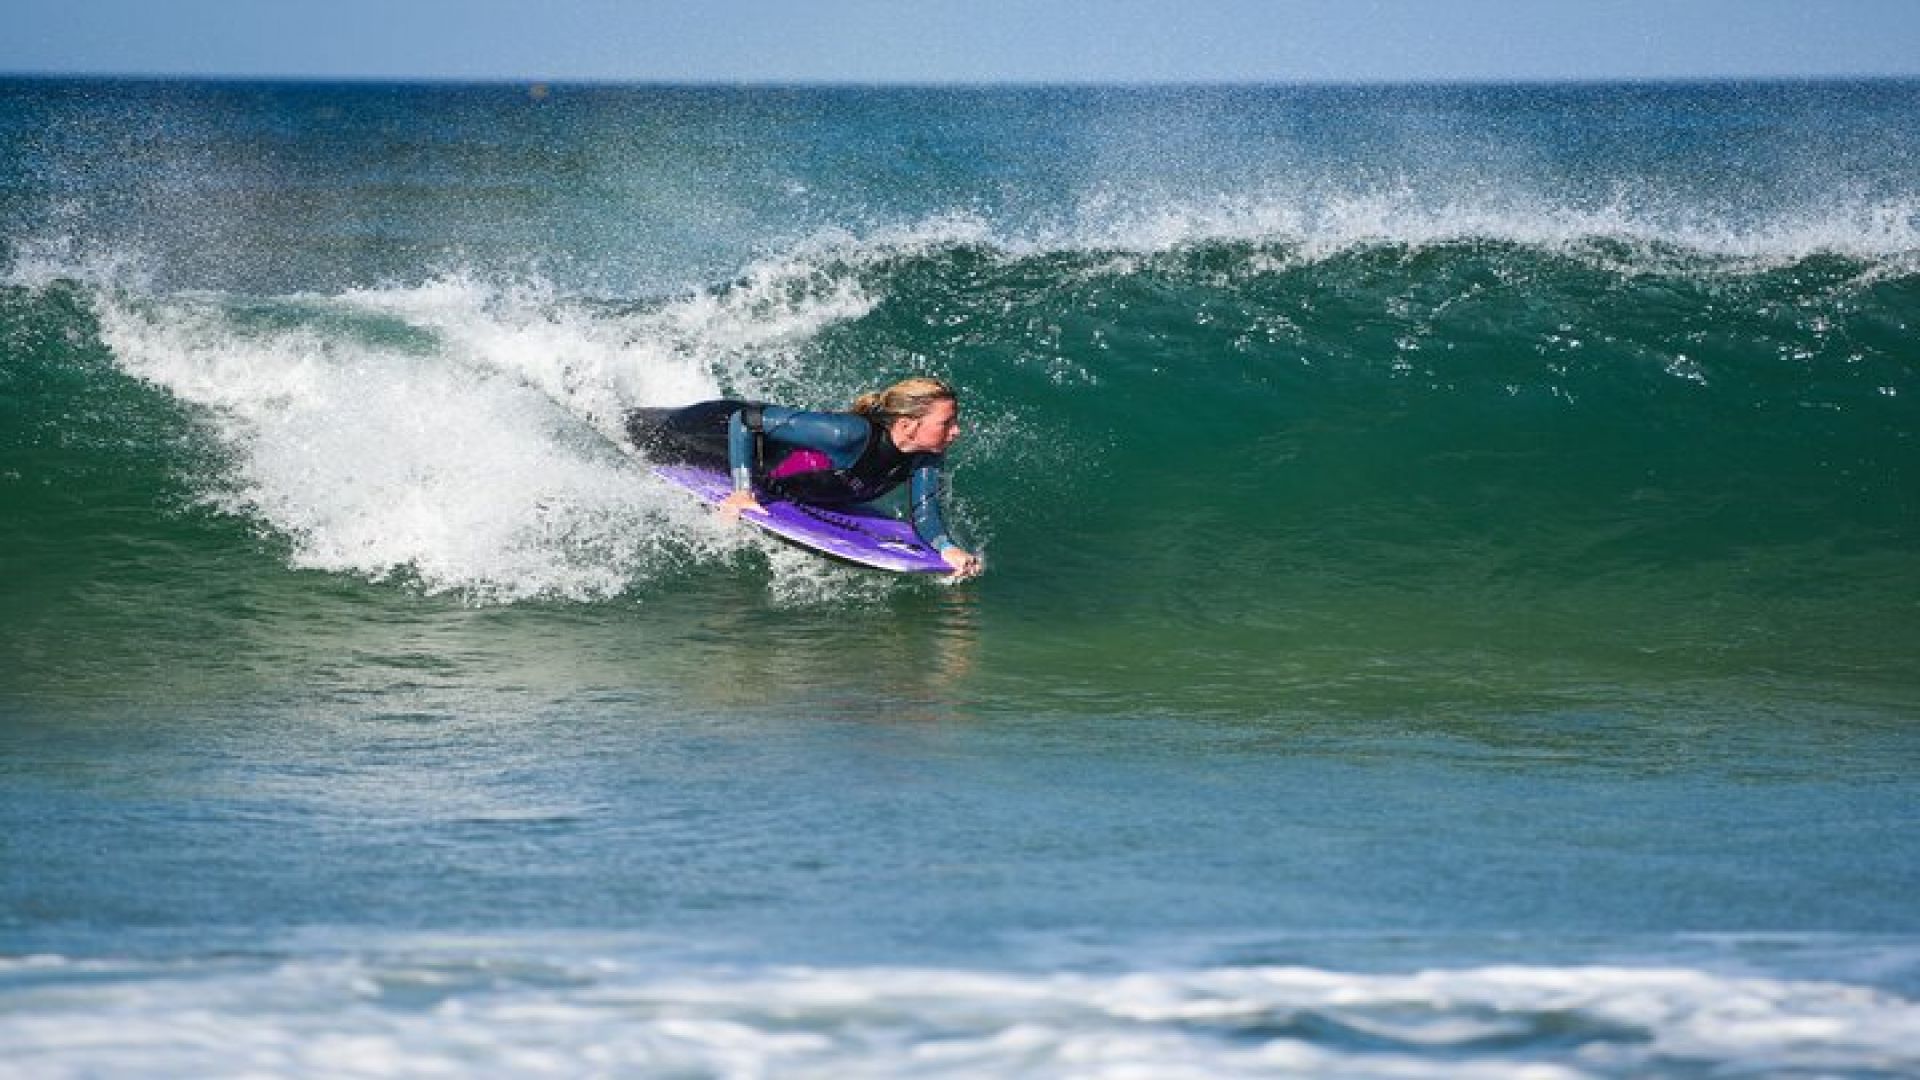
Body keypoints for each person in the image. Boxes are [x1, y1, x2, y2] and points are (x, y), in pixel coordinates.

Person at [625, 377, 983, 577]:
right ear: (907, 424)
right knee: (632, 429)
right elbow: (745, 422)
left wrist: (947, 549)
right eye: (946, 423)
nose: (957, 431)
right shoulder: (846, 435)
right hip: (713, 431)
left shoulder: (922, 458)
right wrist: (741, 490)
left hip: (751, 459)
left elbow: (925, 515)